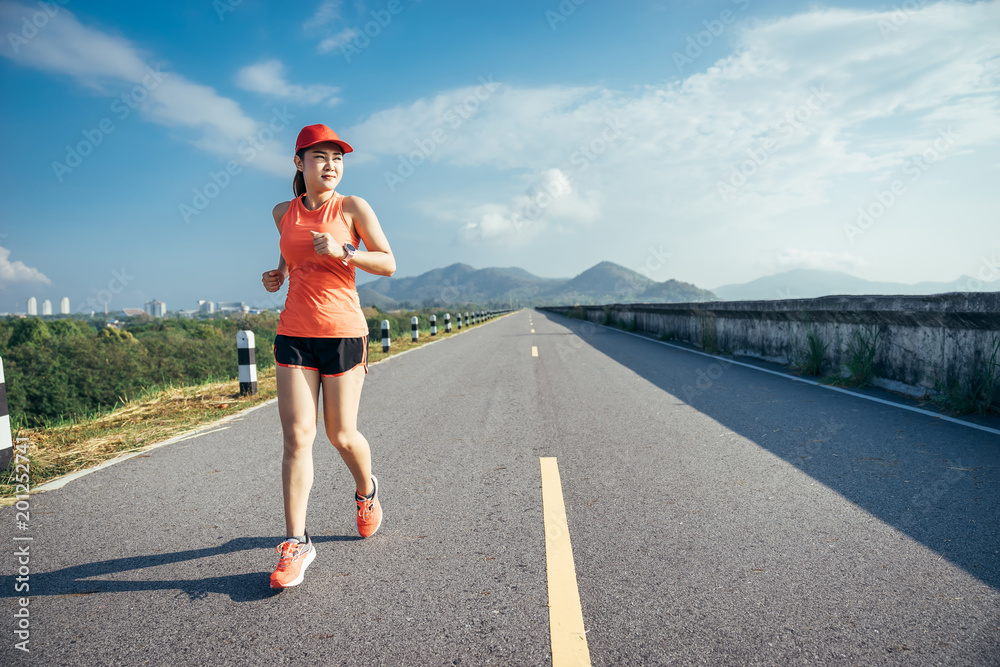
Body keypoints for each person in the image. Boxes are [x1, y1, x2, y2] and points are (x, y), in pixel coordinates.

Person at [261, 124, 395, 589]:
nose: (331, 166)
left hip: (342, 333)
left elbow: (389, 262)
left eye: (337, 159)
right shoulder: (283, 212)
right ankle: (296, 542)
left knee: (340, 434)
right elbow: (290, 259)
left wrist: (347, 252)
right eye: (320, 157)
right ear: (299, 163)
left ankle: (367, 491)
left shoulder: (353, 208)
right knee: (298, 438)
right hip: (294, 333)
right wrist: (276, 275)